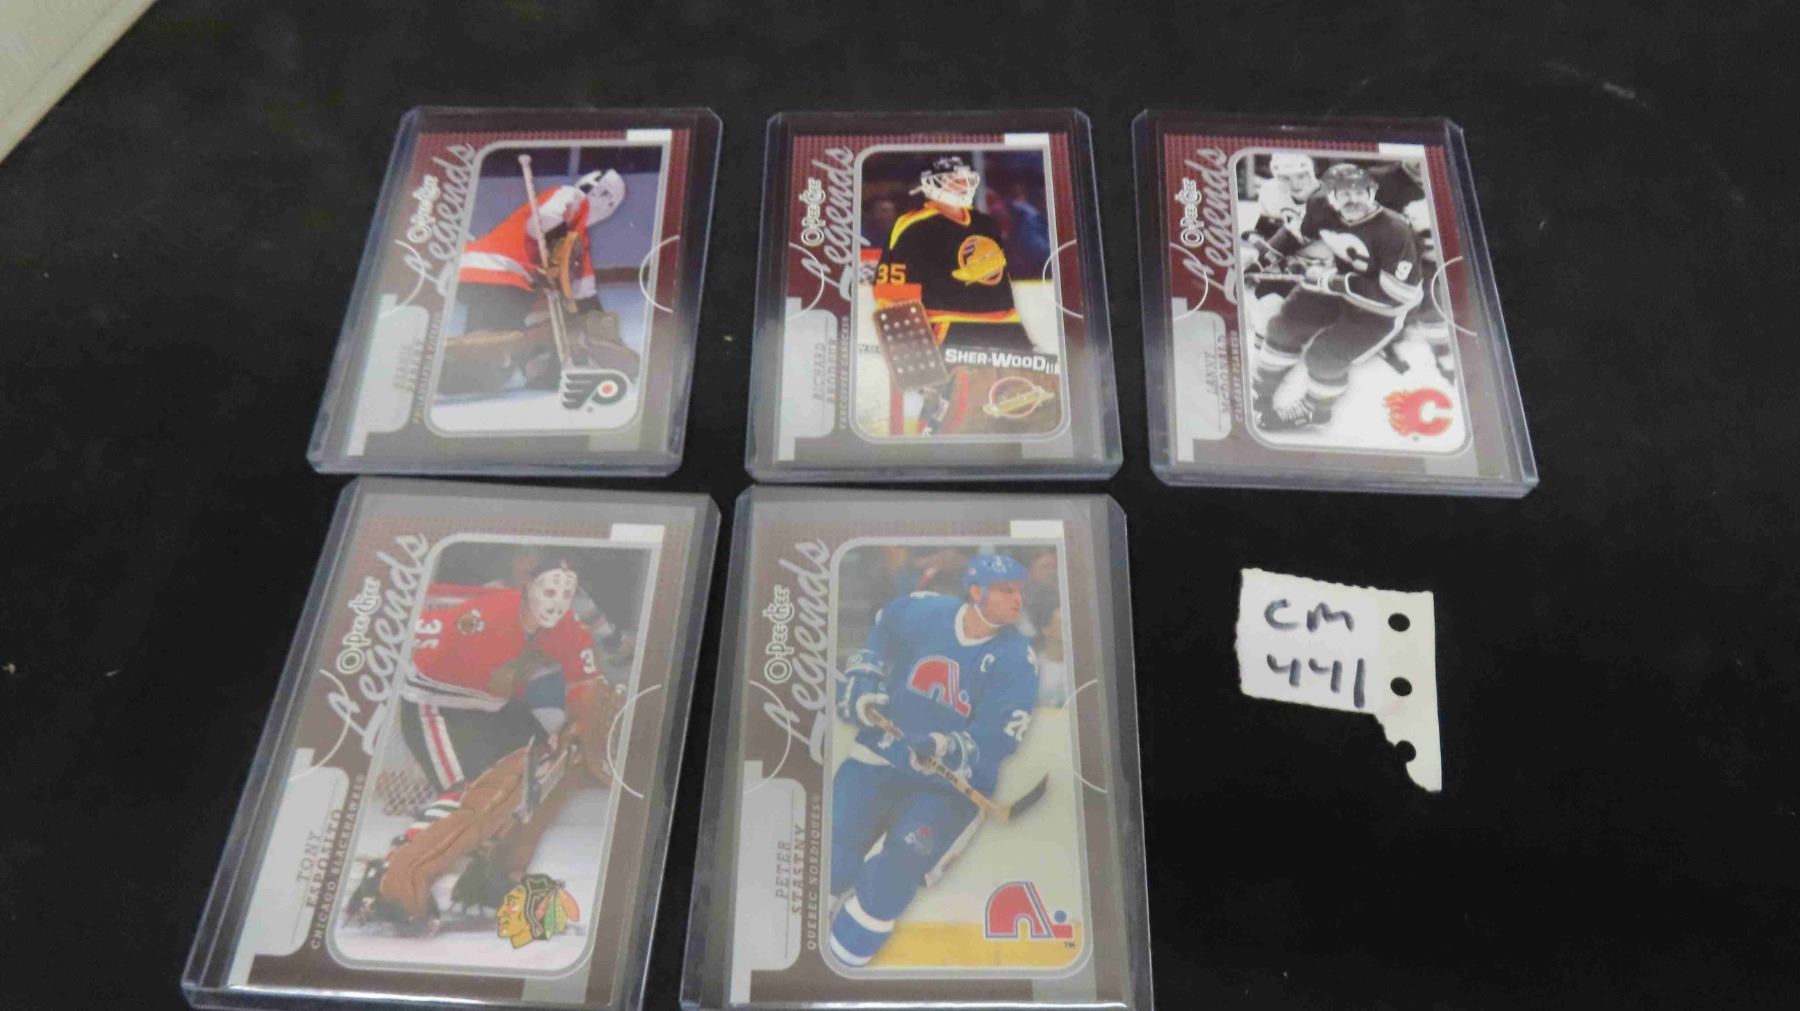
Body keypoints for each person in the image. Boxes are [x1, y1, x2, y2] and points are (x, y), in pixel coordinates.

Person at [349, 558, 622, 926]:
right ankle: (391, 878)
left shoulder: (569, 628)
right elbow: (422, 626)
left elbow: (582, 684)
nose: (557, 601)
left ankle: (489, 872)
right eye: (549, 590)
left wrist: (581, 722)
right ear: (528, 588)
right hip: (437, 705)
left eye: (566, 593)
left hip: (492, 706)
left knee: (545, 767)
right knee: (469, 791)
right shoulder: (484, 616)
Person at [828, 553, 1040, 967]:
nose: (1018, 599)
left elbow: (999, 739)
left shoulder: (1018, 660)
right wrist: (865, 675)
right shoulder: (925, 610)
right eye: (1006, 590)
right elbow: (884, 628)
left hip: (950, 787)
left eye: (1020, 590)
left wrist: (945, 746)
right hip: (881, 755)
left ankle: (838, 968)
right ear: (975, 591)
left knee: (892, 877)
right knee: (831, 860)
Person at [1251, 162, 1424, 432]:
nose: (1353, 200)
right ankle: (1260, 392)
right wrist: (1258, 261)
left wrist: (1333, 281)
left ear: (1372, 192)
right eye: (1343, 193)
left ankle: (1315, 410)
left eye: (1360, 192)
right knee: (1283, 328)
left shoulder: (1395, 230)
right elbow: (1296, 234)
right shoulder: (1320, 206)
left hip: (1381, 309)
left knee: (1325, 356)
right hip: (1337, 286)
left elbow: (1399, 294)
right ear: (1329, 195)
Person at [441, 168, 638, 394]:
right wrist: (556, 246)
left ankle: (452, 370)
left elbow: (585, 293)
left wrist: (608, 335)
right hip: (501, 273)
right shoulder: (570, 195)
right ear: (602, 195)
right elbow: (541, 222)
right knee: (505, 344)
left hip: (478, 272)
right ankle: (446, 351)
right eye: (610, 202)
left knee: (488, 367)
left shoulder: (578, 236)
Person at [872, 156, 1036, 354]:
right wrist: (910, 340)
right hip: (948, 326)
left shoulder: (986, 223)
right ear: (932, 184)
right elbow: (892, 291)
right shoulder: (912, 226)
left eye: (966, 179)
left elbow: (999, 281)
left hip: (1005, 326)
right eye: (955, 180)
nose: (964, 185)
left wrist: (1014, 326)